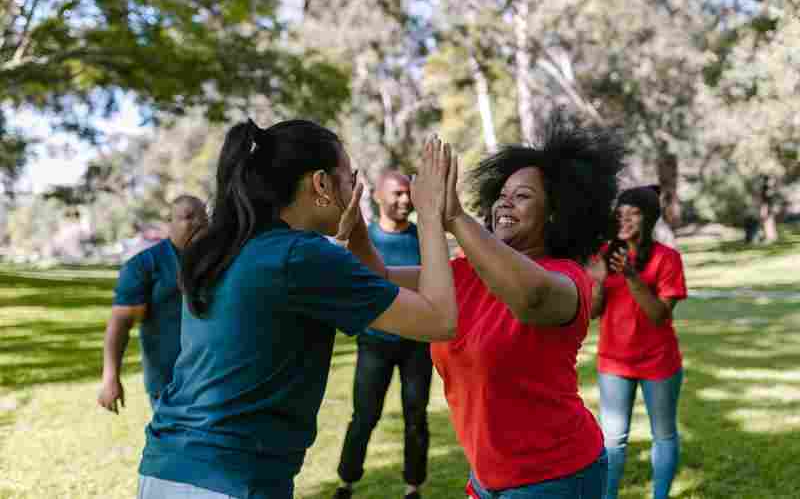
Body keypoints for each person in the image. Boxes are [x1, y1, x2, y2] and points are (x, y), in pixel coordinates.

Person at [137, 119, 458, 499]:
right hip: (230, 480)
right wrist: (434, 217)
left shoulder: (235, 247)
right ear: (321, 184)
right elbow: (439, 319)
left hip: (167, 470)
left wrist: (355, 229)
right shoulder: (299, 256)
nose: (353, 187)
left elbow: (380, 279)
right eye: (348, 176)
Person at [340, 110, 625, 499]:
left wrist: (453, 215)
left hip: (554, 475)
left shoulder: (567, 279)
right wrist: (356, 229)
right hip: (487, 478)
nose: (505, 204)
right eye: (501, 196)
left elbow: (529, 299)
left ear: (555, 214)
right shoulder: (464, 274)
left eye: (522, 196)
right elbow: (377, 281)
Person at [333, 170, 432, 499]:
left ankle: (413, 486)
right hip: (375, 343)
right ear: (377, 196)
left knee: (415, 417)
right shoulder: (367, 240)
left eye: (408, 194)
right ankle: (346, 481)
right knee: (364, 415)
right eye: (397, 194)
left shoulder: (422, 239)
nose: (405, 200)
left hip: (416, 344)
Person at [586, 185, 688, 499]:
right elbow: (592, 312)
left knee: (664, 435)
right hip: (614, 362)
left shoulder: (666, 258)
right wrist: (600, 282)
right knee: (612, 441)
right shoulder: (603, 256)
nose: (625, 220)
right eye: (620, 214)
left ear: (649, 218)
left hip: (659, 362)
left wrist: (631, 276)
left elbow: (659, 315)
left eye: (634, 214)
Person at [98, 195, 207, 412]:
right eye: (188, 217)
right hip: (169, 383)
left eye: (204, 217)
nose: (199, 222)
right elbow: (120, 323)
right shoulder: (144, 266)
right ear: (170, 222)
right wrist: (111, 378)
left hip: (215, 379)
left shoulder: (220, 260)